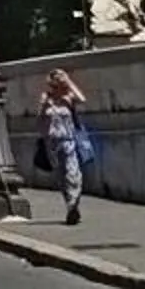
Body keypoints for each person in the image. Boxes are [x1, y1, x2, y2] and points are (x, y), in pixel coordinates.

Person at [39, 67, 91, 226]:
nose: (57, 82)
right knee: (61, 176)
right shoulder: (46, 97)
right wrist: (43, 106)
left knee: (72, 172)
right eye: (55, 79)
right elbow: (40, 118)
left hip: (68, 139)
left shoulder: (68, 97)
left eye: (59, 79)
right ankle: (71, 207)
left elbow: (82, 99)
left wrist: (68, 82)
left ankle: (73, 203)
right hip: (52, 142)